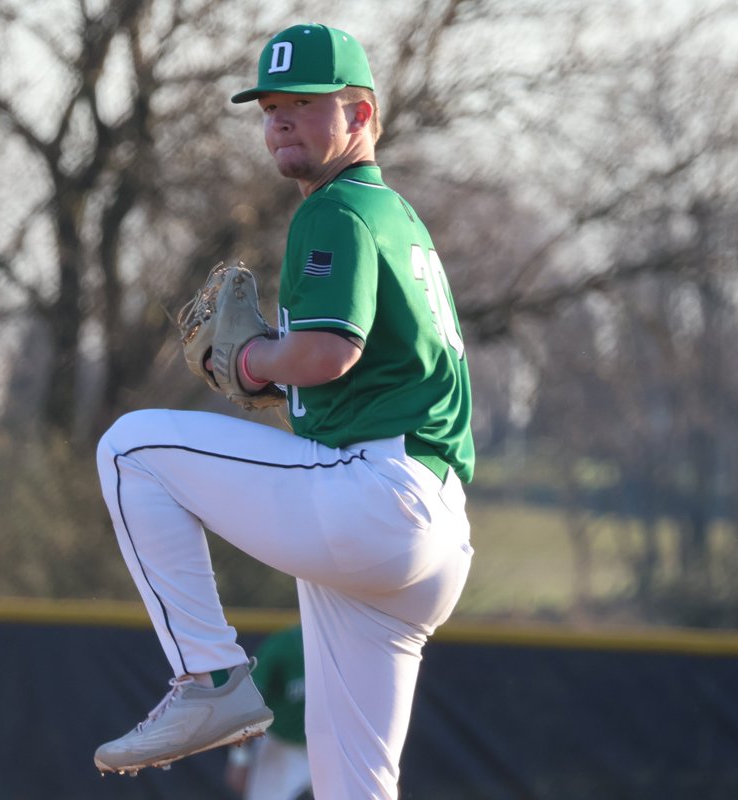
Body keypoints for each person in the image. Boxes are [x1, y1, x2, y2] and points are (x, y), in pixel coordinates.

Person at [93, 22, 475, 799]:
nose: (279, 124)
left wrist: (248, 359)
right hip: (426, 533)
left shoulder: (333, 209)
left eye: (303, 104)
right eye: (270, 109)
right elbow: (352, 374)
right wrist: (278, 374)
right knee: (354, 786)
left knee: (132, 449)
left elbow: (330, 351)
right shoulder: (395, 217)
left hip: (376, 495)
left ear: (361, 115)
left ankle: (208, 674)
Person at [224, 624, 312, 800]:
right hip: (282, 745)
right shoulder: (285, 645)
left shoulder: (351, 645)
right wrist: (240, 759)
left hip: (335, 748)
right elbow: (247, 704)